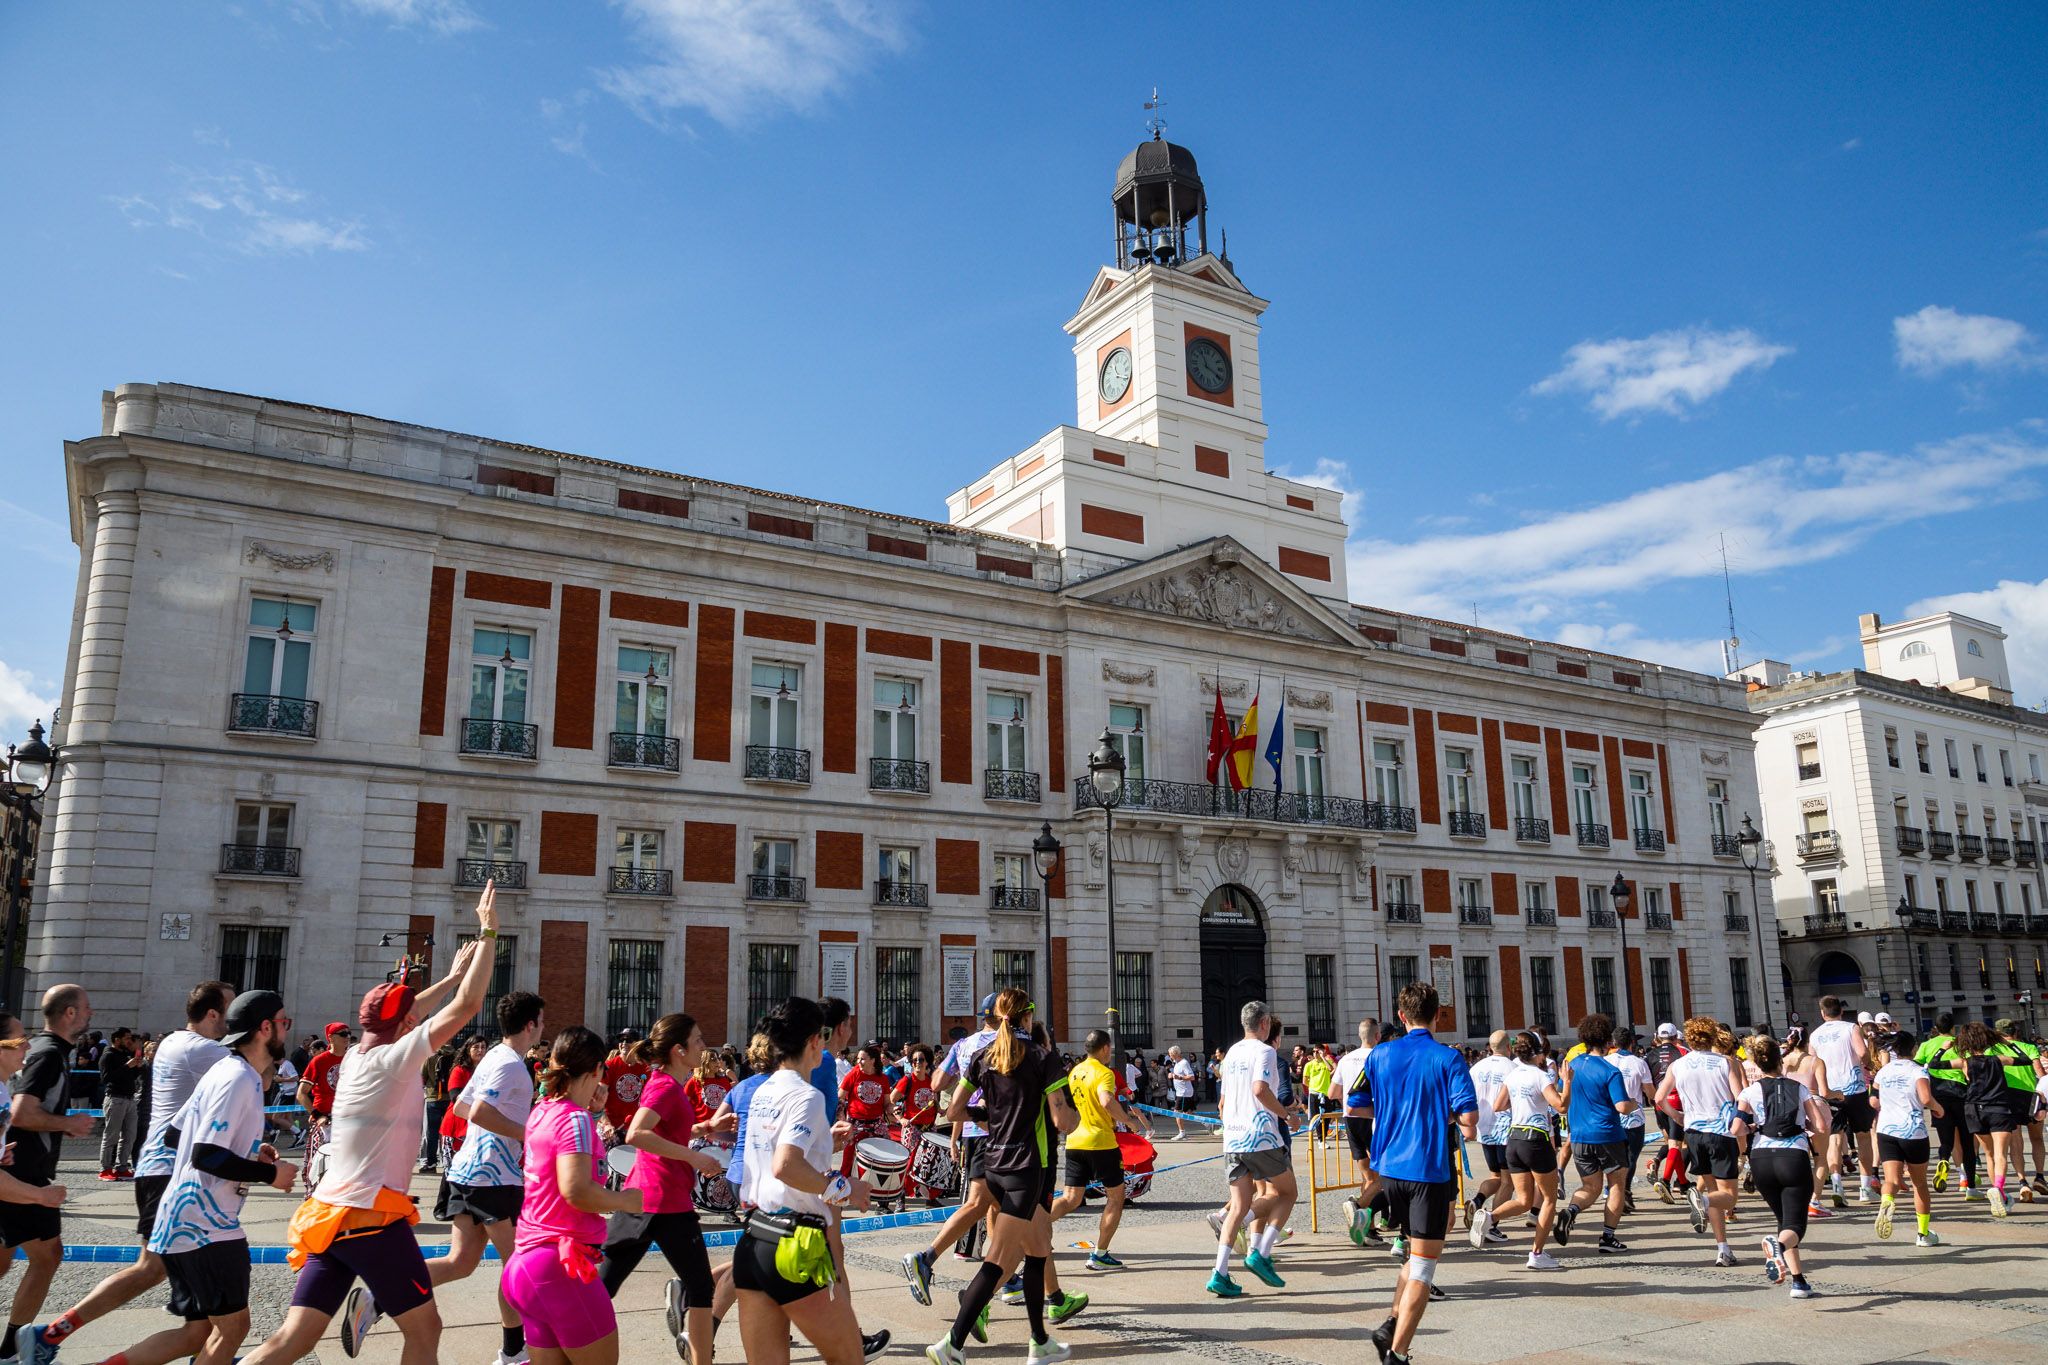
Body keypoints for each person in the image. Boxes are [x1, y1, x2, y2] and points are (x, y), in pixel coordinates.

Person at [235, 882, 499, 1365]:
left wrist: (451, 975)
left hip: (332, 1213)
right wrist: (488, 934)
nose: (416, 1022)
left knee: (294, 1339)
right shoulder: (395, 1059)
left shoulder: (359, 1053)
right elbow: (466, 1008)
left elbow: (413, 1010)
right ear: (403, 1029)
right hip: (369, 1219)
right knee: (426, 1329)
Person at [22, 981, 235, 1365]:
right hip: (173, 1174)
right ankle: (210, 1353)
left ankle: (50, 1334)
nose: (234, 1017)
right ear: (214, 1013)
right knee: (189, 1306)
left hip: (161, 1169)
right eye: (231, 1008)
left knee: (151, 1271)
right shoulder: (205, 1049)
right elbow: (257, 1076)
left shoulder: (172, 1041)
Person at [126, 990, 299, 1365]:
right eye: (284, 1022)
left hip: (184, 1218)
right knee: (232, 1328)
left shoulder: (225, 1071)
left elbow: (175, 1135)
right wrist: (270, 1173)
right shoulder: (238, 1077)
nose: (288, 1030)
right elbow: (205, 1154)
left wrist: (248, 1151)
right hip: (206, 1224)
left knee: (200, 1332)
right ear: (265, 1028)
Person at [923, 989, 1077, 1365]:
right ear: (1027, 1017)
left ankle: (1040, 1341)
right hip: (1027, 1169)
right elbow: (1062, 1121)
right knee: (997, 1260)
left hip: (994, 1162)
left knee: (1039, 1248)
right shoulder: (1043, 1056)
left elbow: (954, 1109)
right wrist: (1080, 1115)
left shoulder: (981, 1056)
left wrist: (987, 1119)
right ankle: (952, 1344)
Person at [737, 998, 877, 1365]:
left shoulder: (763, 1091)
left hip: (755, 1239)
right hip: (794, 1243)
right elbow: (786, 1166)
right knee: (851, 1359)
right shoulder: (807, 1095)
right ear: (816, 1040)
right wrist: (846, 1186)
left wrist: (822, 1145)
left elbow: (775, 1155)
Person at [1351, 983, 1478, 1365]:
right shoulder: (1448, 1059)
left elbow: (1355, 1105)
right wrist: (1447, 1116)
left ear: (1402, 1016)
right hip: (1428, 1172)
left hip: (1388, 1171)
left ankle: (1391, 1324)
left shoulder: (1378, 1055)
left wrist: (1392, 1113)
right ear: (1438, 1015)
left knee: (1412, 1253)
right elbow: (1469, 1122)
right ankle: (1398, 1355)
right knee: (1424, 1266)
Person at [599, 1012, 735, 1365]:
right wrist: (694, 1158)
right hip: (662, 1201)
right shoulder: (662, 1085)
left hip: (648, 1200)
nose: (705, 1046)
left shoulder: (669, 1084)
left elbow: (666, 1133)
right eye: (699, 1040)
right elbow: (638, 1134)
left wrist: (705, 1127)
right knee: (699, 1288)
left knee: (602, 1290)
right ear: (679, 1050)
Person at [430, 989, 547, 1365]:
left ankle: (380, 1295)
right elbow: (477, 1111)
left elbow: (462, 1106)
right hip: (493, 1176)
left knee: (460, 1263)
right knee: (518, 1266)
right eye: (541, 1022)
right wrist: (527, 1132)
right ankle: (513, 1351)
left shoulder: (495, 1056)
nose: (543, 1028)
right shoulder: (511, 1064)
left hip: (466, 1171)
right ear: (530, 1025)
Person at [2, 984, 97, 1363]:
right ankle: (11, 1348)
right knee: (48, 1256)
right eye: (86, 1008)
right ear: (70, 1013)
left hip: (18, 1168)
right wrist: (67, 1124)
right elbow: (23, 1112)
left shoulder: (47, 1052)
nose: (91, 1013)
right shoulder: (47, 1055)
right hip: (24, 1172)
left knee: (7, 1258)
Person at [1206, 1001, 1296, 1298]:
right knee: (1286, 1192)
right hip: (1260, 1136)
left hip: (1232, 1138)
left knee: (1239, 1205)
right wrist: (1285, 1114)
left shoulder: (1231, 1053)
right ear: (1265, 1023)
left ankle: (1219, 1273)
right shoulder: (1265, 1051)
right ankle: (1262, 1253)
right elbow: (1260, 1089)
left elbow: (1222, 1101)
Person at [1734, 1034, 1830, 1300]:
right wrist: (1808, 1127)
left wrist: (1754, 1126)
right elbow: (1821, 1125)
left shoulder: (1750, 1091)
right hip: (1793, 1157)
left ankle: (1798, 1281)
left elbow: (1736, 1128)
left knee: (1784, 1220)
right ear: (1781, 1062)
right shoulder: (1798, 1089)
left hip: (1762, 1157)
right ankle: (1777, 1246)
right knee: (1796, 1225)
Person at [1655, 1016, 1743, 1266]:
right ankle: (1701, 1200)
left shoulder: (1678, 1065)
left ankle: (1722, 1248)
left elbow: (1660, 1098)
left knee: (1715, 1191)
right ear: (1712, 1037)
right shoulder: (1726, 1063)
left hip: (1693, 1132)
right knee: (1729, 1196)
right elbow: (1739, 1098)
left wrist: (1677, 1116)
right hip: (1720, 1132)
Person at [1472, 1030, 1564, 1269]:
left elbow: (1499, 1105)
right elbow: (1561, 1106)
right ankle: (1537, 1253)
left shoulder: (1513, 1076)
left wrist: (1520, 1101)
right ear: (1539, 1053)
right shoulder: (1541, 1076)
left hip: (1514, 1138)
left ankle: (1491, 1218)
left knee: (1523, 1199)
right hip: (1536, 1138)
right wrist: (1569, 1081)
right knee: (1548, 1199)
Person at [1048, 1030, 1138, 1271]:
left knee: (1070, 1199)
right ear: (1106, 1049)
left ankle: (1034, 1232)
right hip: (1101, 1142)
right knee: (1116, 1198)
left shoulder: (1075, 1071)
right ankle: (1100, 1254)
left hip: (1075, 1141)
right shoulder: (1104, 1073)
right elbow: (1107, 1100)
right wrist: (1128, 1121)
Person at [1553, 1014, 1638, 1255]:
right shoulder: (1610, 1070)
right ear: (1607, 1039)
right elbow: (1621, 1106)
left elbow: (1562, 1095)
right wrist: (1634, 1103)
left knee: (1589, 1186)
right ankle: (1608, 1237)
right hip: (1608, 1135)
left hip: (1579, 1136)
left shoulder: (1573, 1066)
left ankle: (1571, 1211)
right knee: (1616, 1185)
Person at [1871, 1031, 1941, 1246]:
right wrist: (1939, 1110)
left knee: (1891, 1180)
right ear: (1913, 1049)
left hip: (1886, 1130)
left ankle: (1887, 1200)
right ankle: (1923, 1234)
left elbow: (1873, 1100)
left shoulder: (1884, 1071)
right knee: (1919, 1184)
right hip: (1912, 1131)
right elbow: (1926, 1098)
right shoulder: (1918, 1071)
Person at [1808, 995, 1875, 1207]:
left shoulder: (1815, 1035)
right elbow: (1863, 1052)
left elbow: (1812, 1062)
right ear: (1841, 1011)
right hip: (1854, 1088)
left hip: (1828, 1091)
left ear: (1822, 1013)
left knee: (1835, 1139)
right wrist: (1866, 1064)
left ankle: (1837, 1186)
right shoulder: (1851, 1028)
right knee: (1863, 1136)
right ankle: (1865, 1188)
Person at [1958, 1021, 2022, 1216]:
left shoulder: (1965, 1063)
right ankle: (1999, 1189)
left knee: (1989, 1154)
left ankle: (1998, 1196)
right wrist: (2010, 1044)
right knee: (2001, 1153)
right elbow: (2024, 1059)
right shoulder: (1998, 1059)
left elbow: (1935, 1064)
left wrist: (1944, 1049)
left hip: (1974, 1109)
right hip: (1998, 1108)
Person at [1333, 1019, 1381, 1245]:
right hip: (1373, 1117)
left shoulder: (1345, 1059)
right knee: (1382, 1176)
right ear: (1377, 1036)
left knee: (1368, 1176)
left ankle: (1367, 1228)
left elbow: (1333, 1092)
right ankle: (1359, 1209)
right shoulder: (1380, 1056)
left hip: (1350, 1118)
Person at [1915, 1016, 1976, 1199]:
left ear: (1935, 1027)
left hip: (1938, 1095)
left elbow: (1917, 1065)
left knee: (1946, 1141)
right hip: (1961, 1094)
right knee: (1967, 1143)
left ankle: (1943, 1160)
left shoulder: (1927, 1045)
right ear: (1953, 1028)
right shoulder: (1960, 1043)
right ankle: (1970, 1187)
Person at [1464, 1031, 1514, 1236]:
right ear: (1509, 1047)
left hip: (1484, 1128)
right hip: (1505, 1130)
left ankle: (1477, 1201)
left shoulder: (1476, 1068)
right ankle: (1491, 1225)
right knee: (1508, 1181)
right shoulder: (1513, 1068)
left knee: (1495, 1175)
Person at [298, 1023, 350, 1177]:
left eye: (348, 1033)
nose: (347, 1037)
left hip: (348, 1120)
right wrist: (316, 1115)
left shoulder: (353, 1059)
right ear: (331, 1038)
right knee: (319, 1171)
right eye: (342, 1034)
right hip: (325, 1121)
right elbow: (301, 1094)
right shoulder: (319, 1061)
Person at [1610, 1030, 1653, 1213]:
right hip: (1634, 1116)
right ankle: (1625, 1191)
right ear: (1632, 1043)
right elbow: (1650, 1091)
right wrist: (1652, 1100)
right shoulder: (1639, 1063)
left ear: (1614, 1042)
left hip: (1612, 1115)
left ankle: (1615, 1193)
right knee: (1631, 1157)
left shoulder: (1607, 1061)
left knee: (1614, 1157)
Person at [1645, 1022, 1689, 1201]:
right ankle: (1665, 1180)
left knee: (1671, 1142)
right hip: (1677, 1101)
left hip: (1659, 1102)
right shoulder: (1683, 1052)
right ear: (1675, 1037)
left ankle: (1684, 1182)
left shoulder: (1649, 1055)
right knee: (1676, 1145)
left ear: (1657, 1037)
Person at [96, 1029, 146, 1180]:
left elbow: (129, 1077)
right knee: (111, 1135)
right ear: (117, 1039)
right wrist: (127, 1067)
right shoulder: (108, 1055)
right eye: (126, 1038)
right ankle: (105, 1168)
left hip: (129, 1099)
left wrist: (137, 1068)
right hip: (115, 1098)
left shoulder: (125, 1055)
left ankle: (122, 1166)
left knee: (129, 1135)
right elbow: (106, 1078)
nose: (129, 1041)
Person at [837, 1045, 895, 1176]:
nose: (858, 1062)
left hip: (876, 1124)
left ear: (872, 1060)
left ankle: (879, 1189)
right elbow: (840, 1097)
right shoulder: (853, 1074)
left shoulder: (883, 1078)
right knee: (848, 1160)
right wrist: (842, 1120)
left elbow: (887, 1103)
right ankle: (842, 1189)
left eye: (862, 1059)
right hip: (855, 1123)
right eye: (858, 1059)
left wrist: (893, 1108)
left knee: (886, 1155)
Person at [1167, 1047, 1198, 1141]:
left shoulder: (1184, 1063)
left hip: (1184, 1092)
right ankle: (1206, 1123)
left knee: (1177, 1113)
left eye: (1170, 1054)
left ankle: (1182, 1133)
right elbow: (1176, 1075)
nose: (1169, 1056)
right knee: (1187, 1113)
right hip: (1180, 1092)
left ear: (1176, 1054)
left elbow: (1192, 1077)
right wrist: (1171, 1075)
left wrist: (1179, 1077)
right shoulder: (1176, 1063)